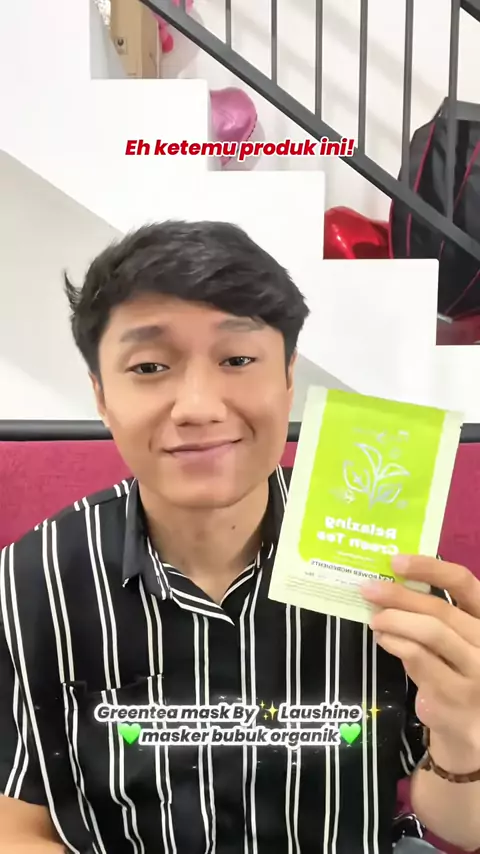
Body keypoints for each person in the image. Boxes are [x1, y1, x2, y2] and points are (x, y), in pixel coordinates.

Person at [0, 220, 479, 854]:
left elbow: (460, 825)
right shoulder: (31, 582)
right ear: (102, 396)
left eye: (238, 360)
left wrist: (465, 731)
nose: (198, 406)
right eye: (149, 366)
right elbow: (16, 826)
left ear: (288, 377)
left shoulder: (386, 560)